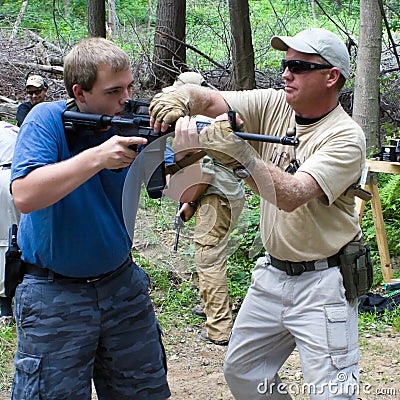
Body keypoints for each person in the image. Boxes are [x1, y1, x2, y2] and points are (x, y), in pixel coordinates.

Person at [149, 28, 366, 399]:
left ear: (332, 77)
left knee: (332, 392)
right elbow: (211, 99)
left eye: (299, 66)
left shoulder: (345, 137)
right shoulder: (275, 102)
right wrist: (178, 97)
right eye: (285, 64)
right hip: (272, 274)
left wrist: (240, 157)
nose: (286, 73)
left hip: (323, 282)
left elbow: (293, 195)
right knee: (244, 373)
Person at [10, 37, 170, 399]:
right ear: (80, 94)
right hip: (54, 294)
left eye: (129, 86)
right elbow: (25, 194)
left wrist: (193, 145)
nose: (125, 99)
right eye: (114, 91)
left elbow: (181, 191)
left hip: (121, 287)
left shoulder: (129, 120)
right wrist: (98, 157)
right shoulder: (47, 118)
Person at [166, 72, 246, 346]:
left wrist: (189, 199)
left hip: (215, 196)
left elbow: (204, 171)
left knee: (209, 259)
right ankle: (209, 305)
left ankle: (219, 326)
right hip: (224, 194)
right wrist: (189, 203)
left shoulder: (197, 126)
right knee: (210, 257)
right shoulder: (213, 120)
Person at [0, 121, 20, 324]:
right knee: (20, 238)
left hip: (4, 178)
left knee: (4, 241)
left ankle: (4, 307)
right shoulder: (10, 127)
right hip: (27, 176)